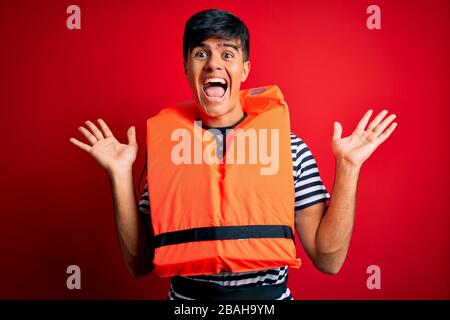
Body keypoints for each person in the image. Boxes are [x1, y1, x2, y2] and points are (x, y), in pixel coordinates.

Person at [69, 9, 397, 300]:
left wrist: (349, 167)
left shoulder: (289, 148)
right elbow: (139, 263)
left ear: (245, 69)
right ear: (186, 68)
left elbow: (329, 260)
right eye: (201, 54)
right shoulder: (168, 153)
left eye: (228, 54)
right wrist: (120, 174)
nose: (213, 63)